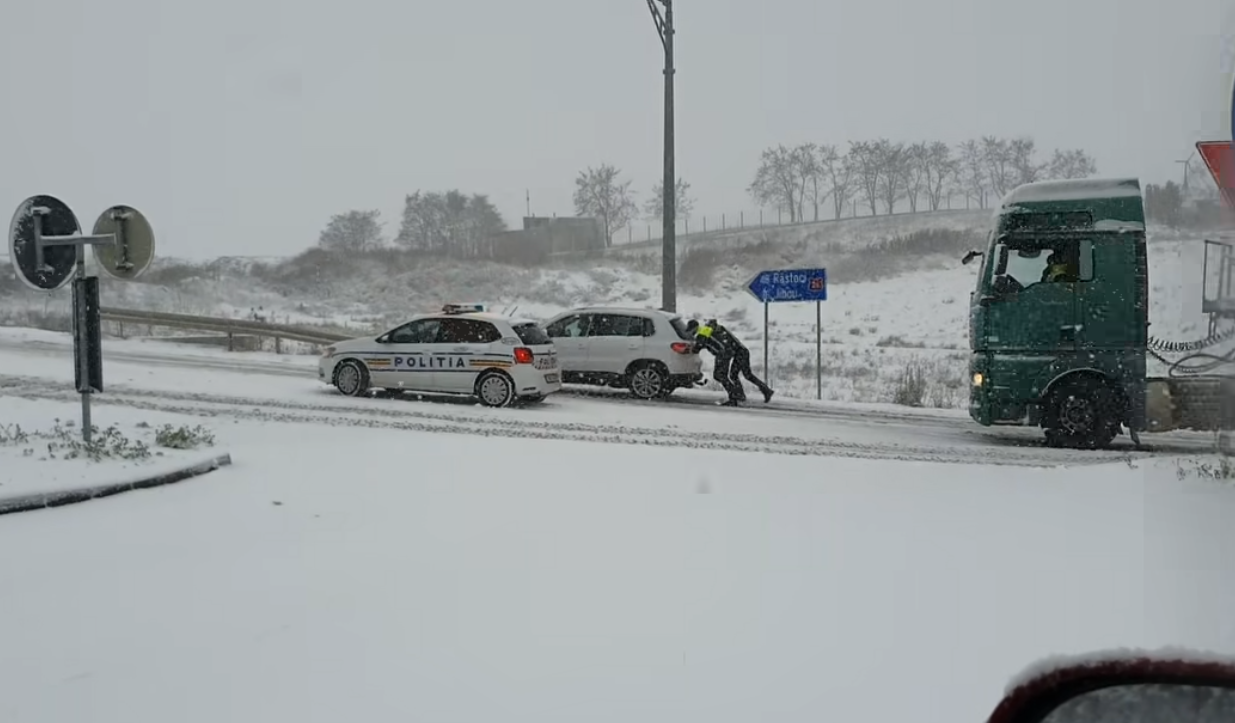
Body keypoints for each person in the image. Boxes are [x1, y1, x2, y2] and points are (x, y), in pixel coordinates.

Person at [686, 318, 774, 406]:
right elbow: (712, 341)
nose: (710, 328)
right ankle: (744, 394)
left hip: (733, 353)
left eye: (690, 330)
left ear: (695, 328)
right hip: (737, 352)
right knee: (737, 375)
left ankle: (735, 396)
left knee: (722, 375)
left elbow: (698, 347)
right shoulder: (718, 330)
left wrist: (688, 348)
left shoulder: (704, 332)